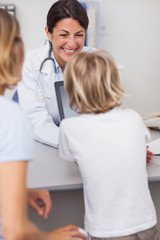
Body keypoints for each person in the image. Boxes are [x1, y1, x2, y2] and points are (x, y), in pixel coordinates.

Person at [0, 9, 86, 240]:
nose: (72, 42)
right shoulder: (10, 117)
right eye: (17, 40)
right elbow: (14, 231)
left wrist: (18, 191)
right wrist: (50, 237)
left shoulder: (93, 59)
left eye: (79, 35)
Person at [58, 50, 158, 240]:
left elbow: (75, 159)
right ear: (114, 84)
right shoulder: (132, 117)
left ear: (70, 88)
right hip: (146, 223)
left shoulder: (69, 127)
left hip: (107, 230)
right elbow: (141, 140)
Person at [17, 0, 96, 148]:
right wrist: (72, 144)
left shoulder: (96, 60)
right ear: (49, 33)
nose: (72, 44)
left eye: (79, 35)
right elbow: (36, 121)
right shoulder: (30, 62)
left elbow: (108, 114)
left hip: (89, 143)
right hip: (47, 144)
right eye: (64, 35)